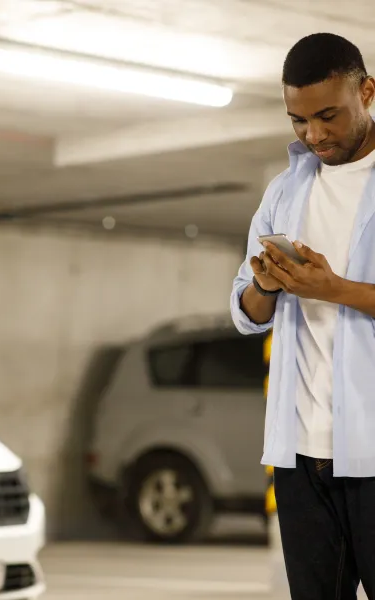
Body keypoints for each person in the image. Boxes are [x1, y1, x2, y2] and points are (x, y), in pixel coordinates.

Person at [231, 33, 375, 600]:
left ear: (367, 91)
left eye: (328, 116)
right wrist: (266, 283)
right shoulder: (284, 191)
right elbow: (248, 311)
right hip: (299, 456)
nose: (314, 135)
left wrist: (334, 288)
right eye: (298, 120)